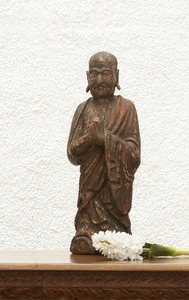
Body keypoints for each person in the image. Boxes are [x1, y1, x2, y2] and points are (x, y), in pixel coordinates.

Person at [67, 52, 140, 255]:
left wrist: (105, 139)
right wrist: (88, 140)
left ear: (116, 76)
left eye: (106, 73)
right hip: (89, 191)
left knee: (118, 239)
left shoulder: (126, 109)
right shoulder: (83, 109)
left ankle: (115, 238)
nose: (100, 80)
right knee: (84, 238)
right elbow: (72, 154)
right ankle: (86, 235)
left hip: (114, 193)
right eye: (95, 74)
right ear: (88, 77)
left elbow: (134, 155)